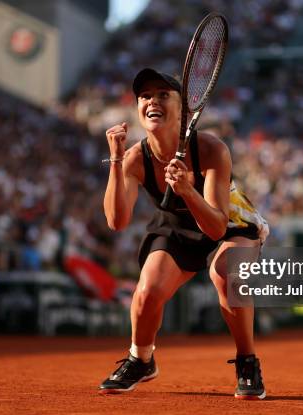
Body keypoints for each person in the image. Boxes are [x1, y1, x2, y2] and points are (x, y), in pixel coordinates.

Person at [99, 68, 269, 400]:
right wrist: (117, 160)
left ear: (184, 109)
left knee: (227, 272)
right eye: (145, 96)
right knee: (147, 291)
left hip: (226, 219)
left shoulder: (211, 149)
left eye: (163, 95)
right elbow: (117, 222)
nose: (152, 101)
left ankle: (247, 361)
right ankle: (141, 359)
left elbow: (217, 226)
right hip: (176, 224)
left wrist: (188, 191)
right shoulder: (134, 158)